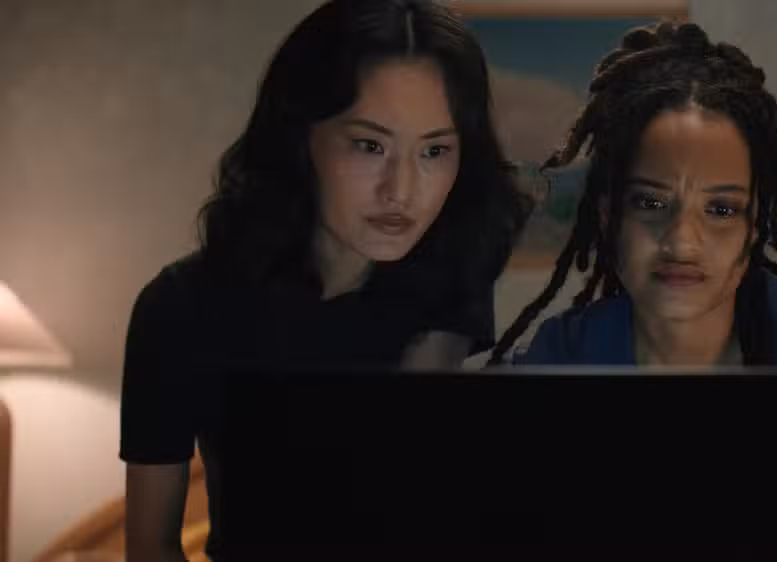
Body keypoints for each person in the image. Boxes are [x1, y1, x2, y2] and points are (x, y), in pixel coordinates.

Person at [119, 1, 530, 559]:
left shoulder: (452, 274)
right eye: (370, 145)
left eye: (435, 150)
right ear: (299, 136)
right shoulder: (179, 307)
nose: (401, 190)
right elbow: (150, 548)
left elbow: (402, 500)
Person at [490, 21, 777, 562]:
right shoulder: (553, 361)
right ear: (609, 215)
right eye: (651, 203)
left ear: (754, 226)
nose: (682, 242)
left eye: (722, 209)